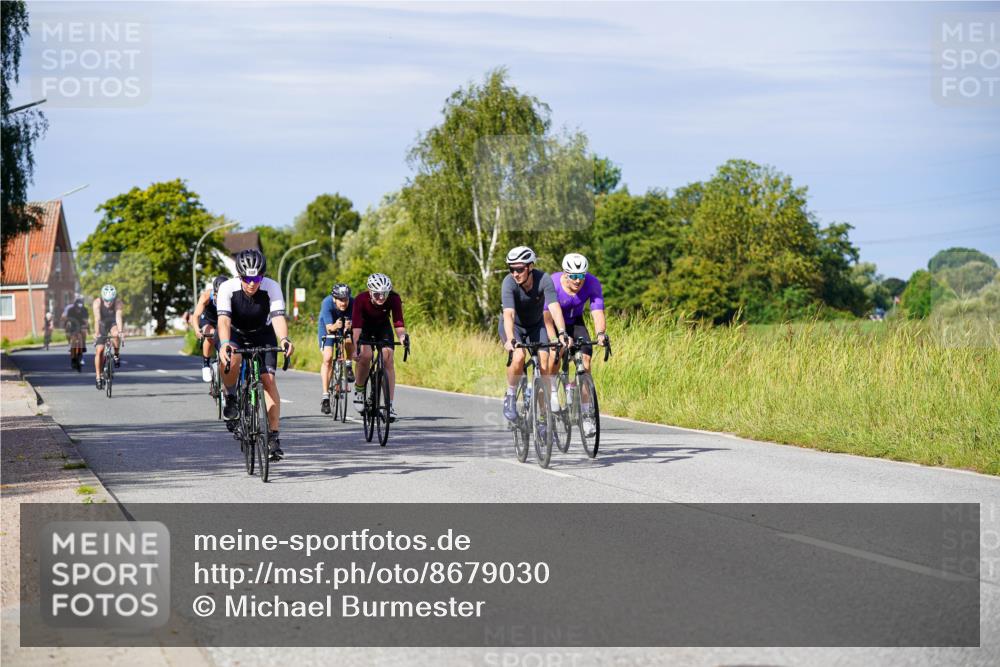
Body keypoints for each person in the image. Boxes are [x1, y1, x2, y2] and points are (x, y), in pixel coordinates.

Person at [216, 249, 294, 462]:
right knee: (233, 359)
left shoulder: (271, 287)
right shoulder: (227, 288)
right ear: (240, 276)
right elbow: (223, 321)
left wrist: (284, 340)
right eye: (248, 278)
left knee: (268, 381)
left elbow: (278, 318)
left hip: (263, 334)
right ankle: (231, 395)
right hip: (236, 333)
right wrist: (224, 345)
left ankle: (273, 437)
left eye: (257, 278)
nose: (252, 283)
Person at [499, 246, 570, 424]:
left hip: (536, 326)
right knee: (519, 356)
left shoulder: (544, 279)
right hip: (514, 327)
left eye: (520, 269)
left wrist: (562, 333)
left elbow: (554, 308)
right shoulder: (508, 283)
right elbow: (509, 314)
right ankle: (510, 394)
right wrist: (510, 339)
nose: (515, 273)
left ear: (530, 267)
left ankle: (543, 418)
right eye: (512, 269)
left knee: (545, 364)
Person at [551, 252, 607, 436]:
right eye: (573, 276)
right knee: (556, 353)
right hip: (554, 322)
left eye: (581, 276)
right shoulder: (553, 283)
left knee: (585, 362)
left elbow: (597, 311)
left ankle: (586, 415)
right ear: (565, 274)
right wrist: (557, 337)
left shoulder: (592, 283)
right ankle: (551, 389)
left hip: (575, 321)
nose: (577, 281)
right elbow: (545, 314)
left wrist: (600, 334)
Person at [351, 273, 408, 421]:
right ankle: (359, 390)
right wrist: (355, 346)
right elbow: (356, 327)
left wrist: (402, 337)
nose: (381, 297)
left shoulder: (394, 298)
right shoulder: (360, 299)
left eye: (384, 294)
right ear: (370, 291)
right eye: (377, 294)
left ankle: (389, 405)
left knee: (388, 357)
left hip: (383, 327)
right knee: (365, 355)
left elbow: (398, 323)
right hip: (365, 327)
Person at [318, 282, 355, 415]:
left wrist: (349, 328)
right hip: (328, 326)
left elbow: (356, 327)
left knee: (349, 340)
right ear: (334, 298)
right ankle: (325, 396)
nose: (343, 303)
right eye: (340, 300)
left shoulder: (353, 303)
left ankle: (348, 364)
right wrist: (335, 326)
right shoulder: (327, 303)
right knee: (327, 358)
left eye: (345, 299)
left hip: (344, 326)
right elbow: (330, 328)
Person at [192, 275, 228, 382]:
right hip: (209, 320)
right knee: (211, 334)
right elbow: (195, 316)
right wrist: (196, 329)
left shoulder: (232, 295)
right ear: (214, 292)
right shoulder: (206, 296)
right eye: (217, 296)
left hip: (224, 319)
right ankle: (206, 364)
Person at [93, 285, 124, 390]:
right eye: (106, 300)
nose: (109, 303)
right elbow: (97, 319)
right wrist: (97, 333)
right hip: (102, 324)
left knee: (115, 334)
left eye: (111, 300)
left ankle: (116, 354)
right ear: (102, 297)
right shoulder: (97, 302)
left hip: (112, 323)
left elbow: (118, 317)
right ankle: (98, 377)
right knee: (100, 350)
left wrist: (120, 331)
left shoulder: (118, 303)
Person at [61, 297, 89, 370]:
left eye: (80, 308)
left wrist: (86, 326)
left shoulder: (85, 310)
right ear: (75, 306)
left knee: (83, 332)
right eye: (77, 308)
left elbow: (86, 320)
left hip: (81, 325)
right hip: (73, 325)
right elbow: (66, 319)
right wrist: (68, 325)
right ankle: (73, 358)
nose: (78, 310)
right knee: (73, 339)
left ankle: (83, 347)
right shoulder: (70, 310)